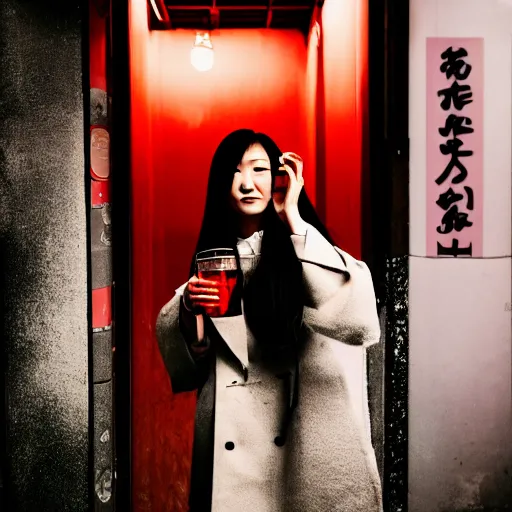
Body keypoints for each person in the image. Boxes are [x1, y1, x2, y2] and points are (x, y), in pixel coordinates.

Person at [156, 129, 382, 511]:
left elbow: (358, 320)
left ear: (280, 178)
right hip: (236, 459)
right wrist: (190, 313)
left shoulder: (308, 252)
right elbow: (188, 366)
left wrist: (292, 215)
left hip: (303, 444)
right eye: (235, 171)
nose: (247, 183)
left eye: (259, 170)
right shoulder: (213, 264)